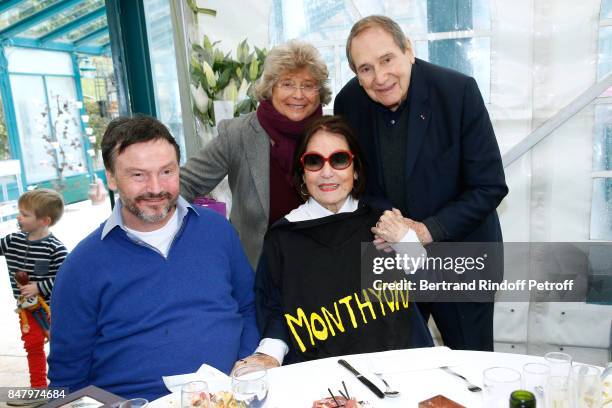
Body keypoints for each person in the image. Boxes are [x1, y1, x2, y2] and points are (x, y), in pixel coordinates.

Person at [48, 115, 259, 401]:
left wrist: (245, 367)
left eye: (167, 172)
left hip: (231, 396)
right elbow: (68, 379)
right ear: (110, 177)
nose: (156, 187)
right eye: (138, 175)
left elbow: (249, 307)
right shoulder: (82, 267)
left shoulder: (217, 231)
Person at [334, 15, 508, 351]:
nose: (380, 77)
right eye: (365, 68)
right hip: (391, 261)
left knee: (469, 371)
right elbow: (356, 183)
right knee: (396, 372)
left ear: (408, 51)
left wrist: (423, 232)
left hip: (460, 258)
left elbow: (489, 186)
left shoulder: (457, 92)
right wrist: (391, 224)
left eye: (387, 60)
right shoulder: (348, 103)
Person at [251, 116, 433, 366]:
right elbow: (273, 307)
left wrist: (406, 241)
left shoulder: (384, 221)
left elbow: (426, 284)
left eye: (339, 160)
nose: (327, 173)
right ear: (302, 173)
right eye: (314, 161)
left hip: (394, 366)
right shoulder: (283, 236)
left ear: (355, 169)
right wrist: (269, 354)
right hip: (316, 373)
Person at [180, 40, 331, 269]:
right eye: (287, 84)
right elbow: (184, 183)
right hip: (261, 272)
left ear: (319, 92)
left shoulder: (335, 135)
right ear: (270, 89)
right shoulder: (238, 134)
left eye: (308, 85)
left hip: (326, 267)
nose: (298, 95)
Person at [0, 189, 67, 404]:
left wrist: (40, 287)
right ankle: (38, 389)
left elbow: (66, 279)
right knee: (33, 348)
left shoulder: (55, 249)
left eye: (24, 214)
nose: (19, 217)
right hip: (27, 314)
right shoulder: (12, 241)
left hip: (53, 311)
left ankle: (67, 385)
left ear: (44, 220)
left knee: (63, 347)